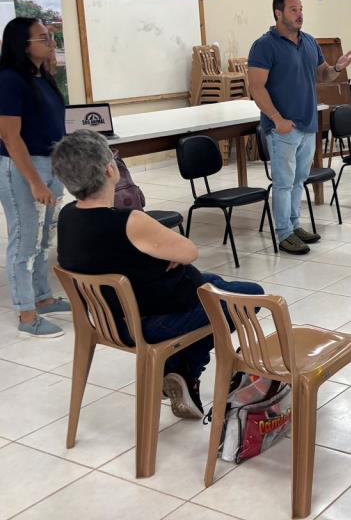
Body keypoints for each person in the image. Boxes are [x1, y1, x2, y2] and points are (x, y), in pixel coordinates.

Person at [52, 129, 264, 419]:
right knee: (250, 295)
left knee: (215, 284)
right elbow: (189, 251)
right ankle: (185, 368)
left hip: (109, 319)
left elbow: (115, 254)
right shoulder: (131, 222)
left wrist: (155, 250)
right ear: (110, 169)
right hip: (151, 321)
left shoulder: (67, 217)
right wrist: (163, 250)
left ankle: (180, 370)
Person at [247, 0, 351, 255]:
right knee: (283, 182)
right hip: (283, 127)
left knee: (298, 180)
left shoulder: (308, 42)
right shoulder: (264, 45)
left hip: (307, 125)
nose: (300, 14)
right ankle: (283, 233)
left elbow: (323, 75)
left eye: (301, 9)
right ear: (278, 13)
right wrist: (277, 119)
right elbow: (257, 88)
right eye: (293, 9)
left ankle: (295, 226)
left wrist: (337, 68)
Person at [0, 17, 70, 338]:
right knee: (24, 239)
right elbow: (11, 138)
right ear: (23, 45)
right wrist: (36, 182)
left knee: (44, 237)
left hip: (50, 163)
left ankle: (43, 297)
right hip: (23, 167)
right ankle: (26, 314)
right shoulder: (9, 80)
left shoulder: (41, 76)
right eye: (44, 37)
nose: (51, 41)